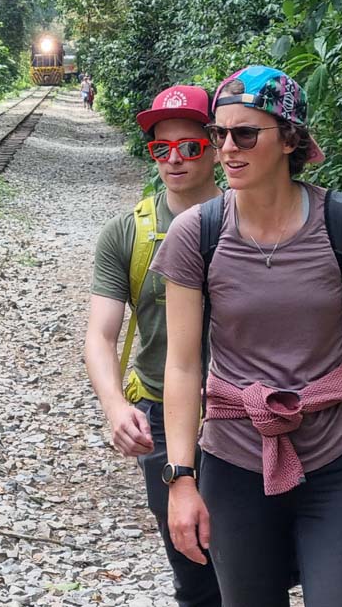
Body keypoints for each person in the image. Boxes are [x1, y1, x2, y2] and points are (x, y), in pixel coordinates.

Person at [151, 65, 342, 607]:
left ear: (290, 138)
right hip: (234, 458)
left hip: (337, 457)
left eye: (246, 134)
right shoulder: (198, 233)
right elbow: (183, 364)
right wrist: (181, 480)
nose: (227, 149)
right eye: (219, 135)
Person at [85, 85, 223, 607]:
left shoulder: (252, 220)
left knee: (250, 560)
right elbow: (101, 334)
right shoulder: (129, 233)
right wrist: (115, 405)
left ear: (215, 146)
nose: (175, 160)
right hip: (163, 411)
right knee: (190, 561)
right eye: (161, 149)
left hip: (245, 414)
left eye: (189, 146)